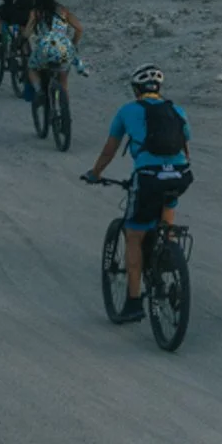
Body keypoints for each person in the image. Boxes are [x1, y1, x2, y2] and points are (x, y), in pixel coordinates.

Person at [82, 65, 191, 323]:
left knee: (133, 235)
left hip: (148, 177)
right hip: (179, 174)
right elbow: (185, 147)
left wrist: (95, 173)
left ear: (136, 89)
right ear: (159, 89)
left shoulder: (127, 111)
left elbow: (109, 150)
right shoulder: (177, 110)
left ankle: (132, 303)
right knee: (167, 203)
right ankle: (167, 249)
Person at [25, 0, 85, 77]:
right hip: (63, 48)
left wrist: (29, 37)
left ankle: (39, 90)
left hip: (45, 48)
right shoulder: (63, 10)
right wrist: (73, 44)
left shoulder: (36, 12)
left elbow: (27, 33)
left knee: (32, 68)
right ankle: (63, 91)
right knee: (63, 77)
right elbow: (79, 29)